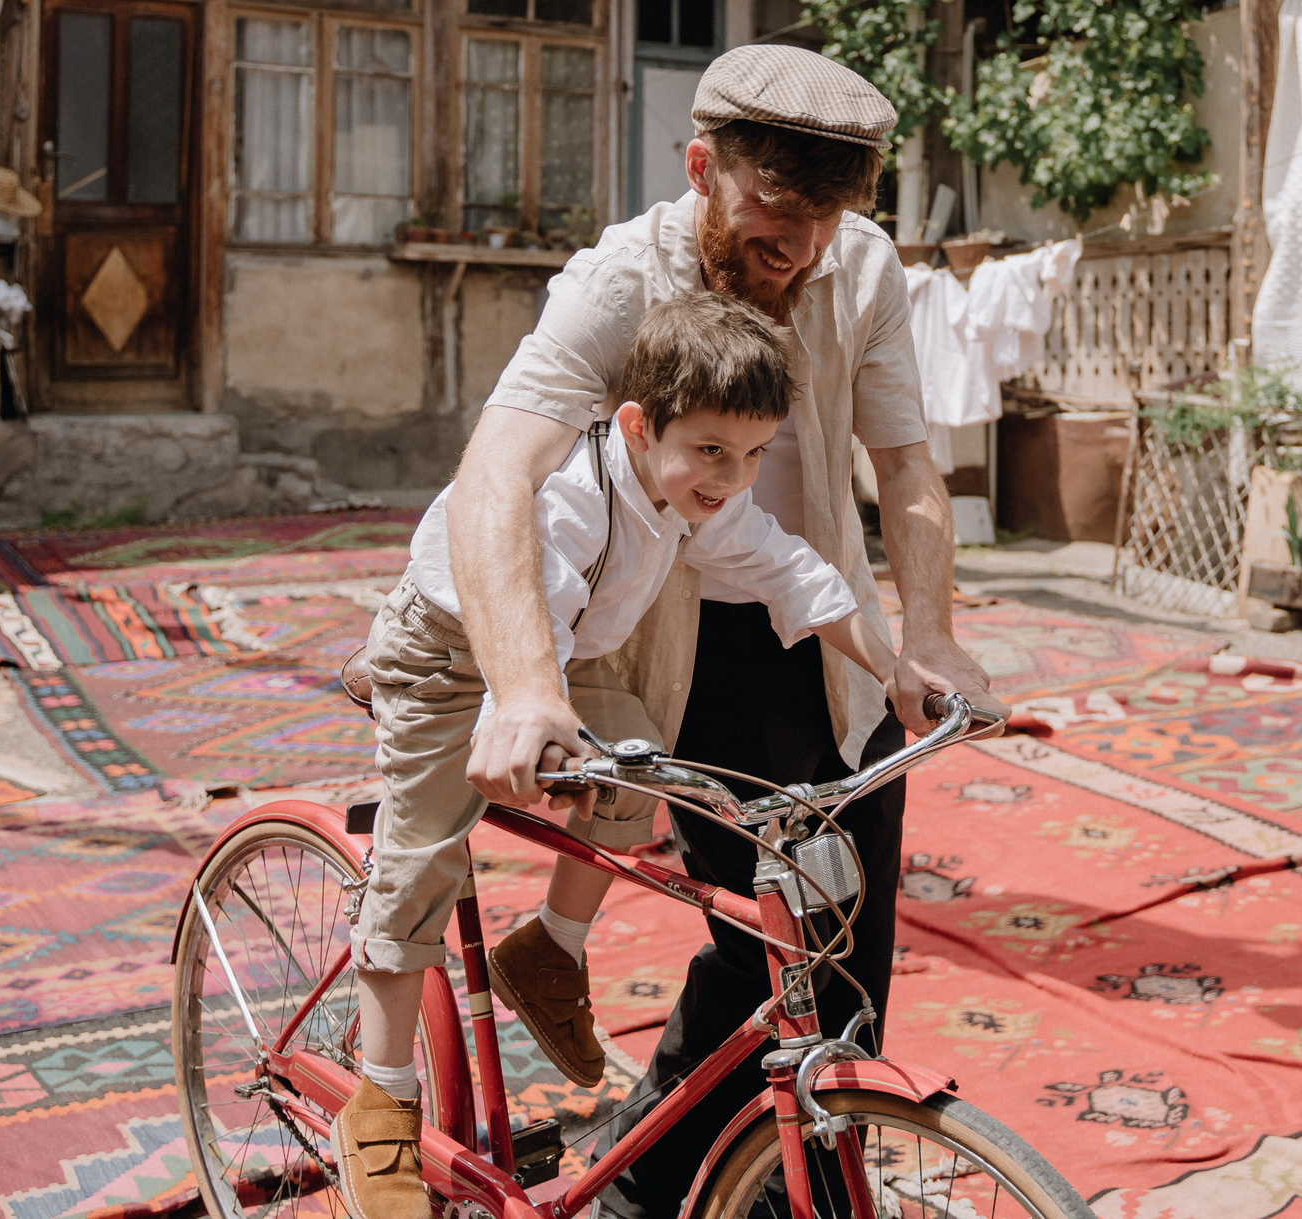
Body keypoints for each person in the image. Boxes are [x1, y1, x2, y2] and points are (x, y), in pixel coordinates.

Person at [453, 45, 995, 1219]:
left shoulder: (860, 266)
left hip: (827, 628)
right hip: (681, 645)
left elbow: (906, 465)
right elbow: (494, 474)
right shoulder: (617, 282)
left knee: (848, 942)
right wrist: (526, 687)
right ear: (702, 169)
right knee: (766, 938)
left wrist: (929, 635)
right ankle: (649, 1195)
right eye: (773, 213)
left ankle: (802, 1184)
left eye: (826, 219)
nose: (799, 247)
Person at [335, 292, 904, 1216]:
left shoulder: (699, 496)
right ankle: (382, 1100)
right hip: (451, 651)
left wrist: (898, 667)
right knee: (426, 851)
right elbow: (530, 617)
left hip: (557, 661)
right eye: (711, 450)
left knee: (639, 762)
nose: (732, 476)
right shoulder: (572, 500)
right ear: (638, 426)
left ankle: (550, 949)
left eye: (754, 453)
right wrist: (525, 719)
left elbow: (793, 571)